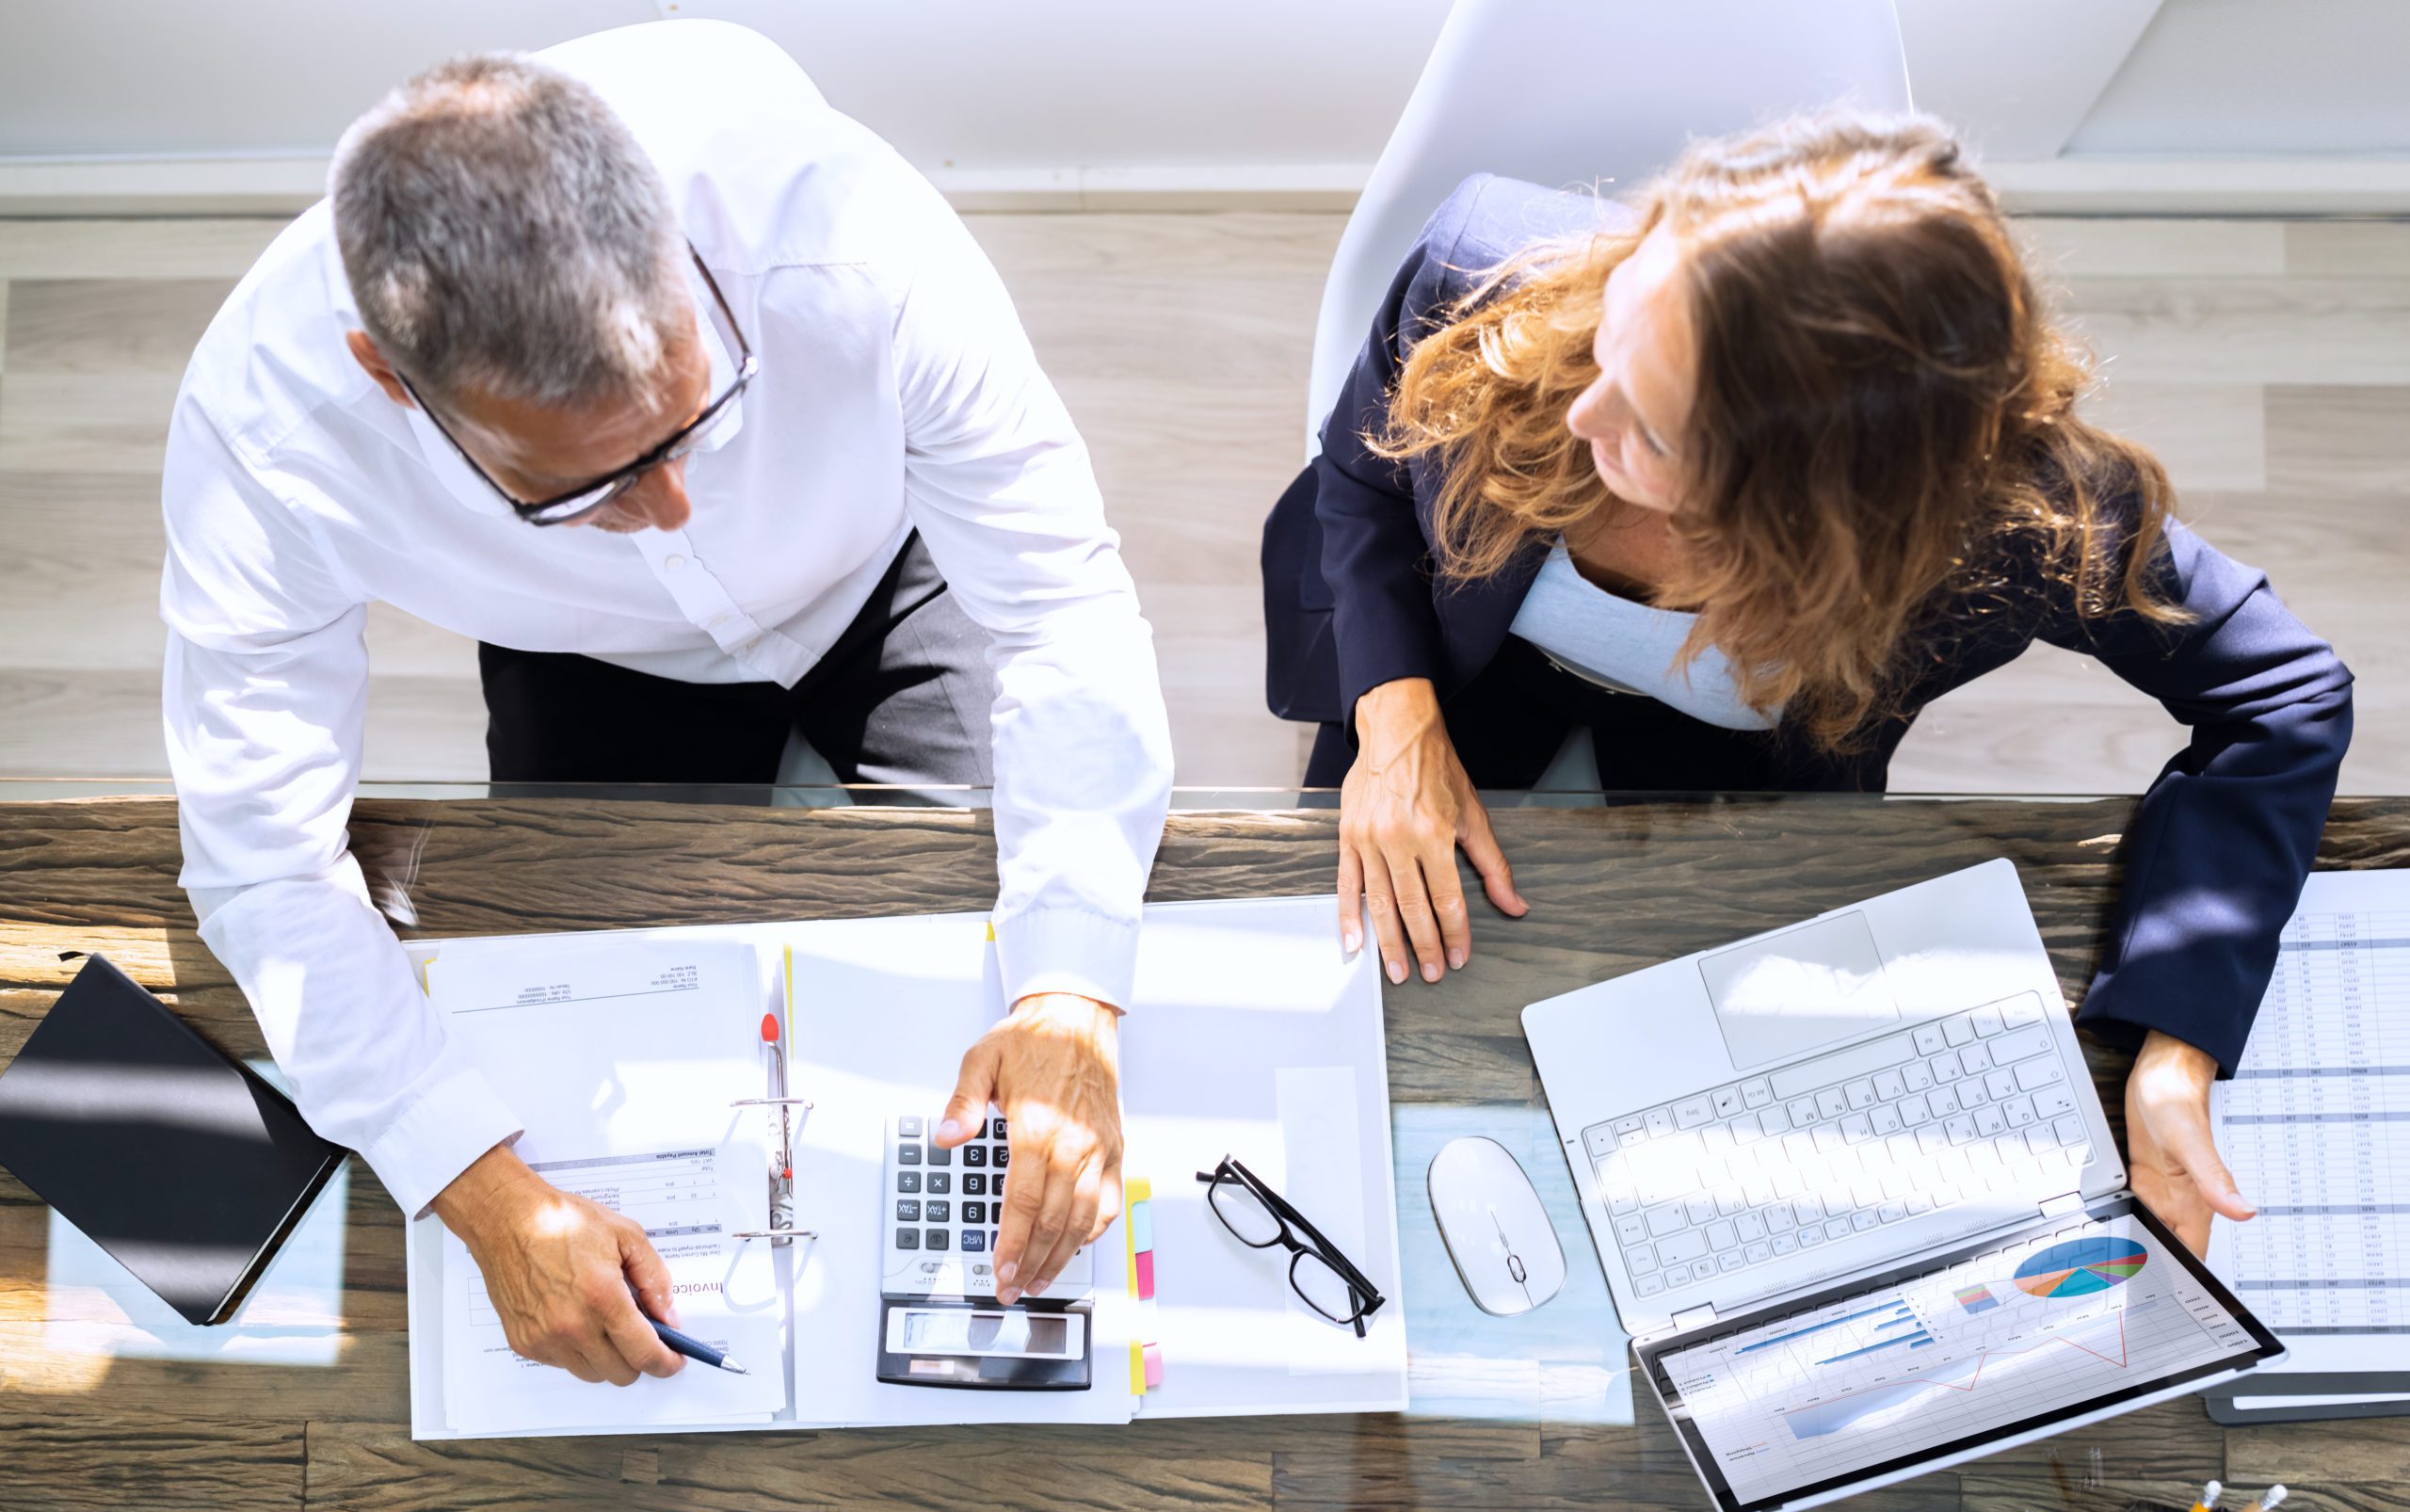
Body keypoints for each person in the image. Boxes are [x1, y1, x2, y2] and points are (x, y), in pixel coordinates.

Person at [162, 22, 1173, 1386]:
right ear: (388, 377)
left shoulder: (854, 237)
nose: (673, 509)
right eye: (581, 487)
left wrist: (1069, 993)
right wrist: (481, 1189)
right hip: (583, 659)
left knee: (956, 1003)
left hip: (886, 566)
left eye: (700, 417)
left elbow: (1058, 609)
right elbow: (264, 862)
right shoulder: (261, 438)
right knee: (597, 1004)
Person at [1260, 112, 2352, 1256]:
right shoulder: (1484, 266)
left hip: (1743, 781)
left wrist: (2177, 1043)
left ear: (1822, 517)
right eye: (1616, 334)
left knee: (1704, 1141)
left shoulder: (2020, 524)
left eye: (1656, 430)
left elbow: (2285, 698)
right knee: (1346, 1045)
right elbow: (1361, 475)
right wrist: (1394, 719)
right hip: (1444, 660)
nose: (1585, 412)